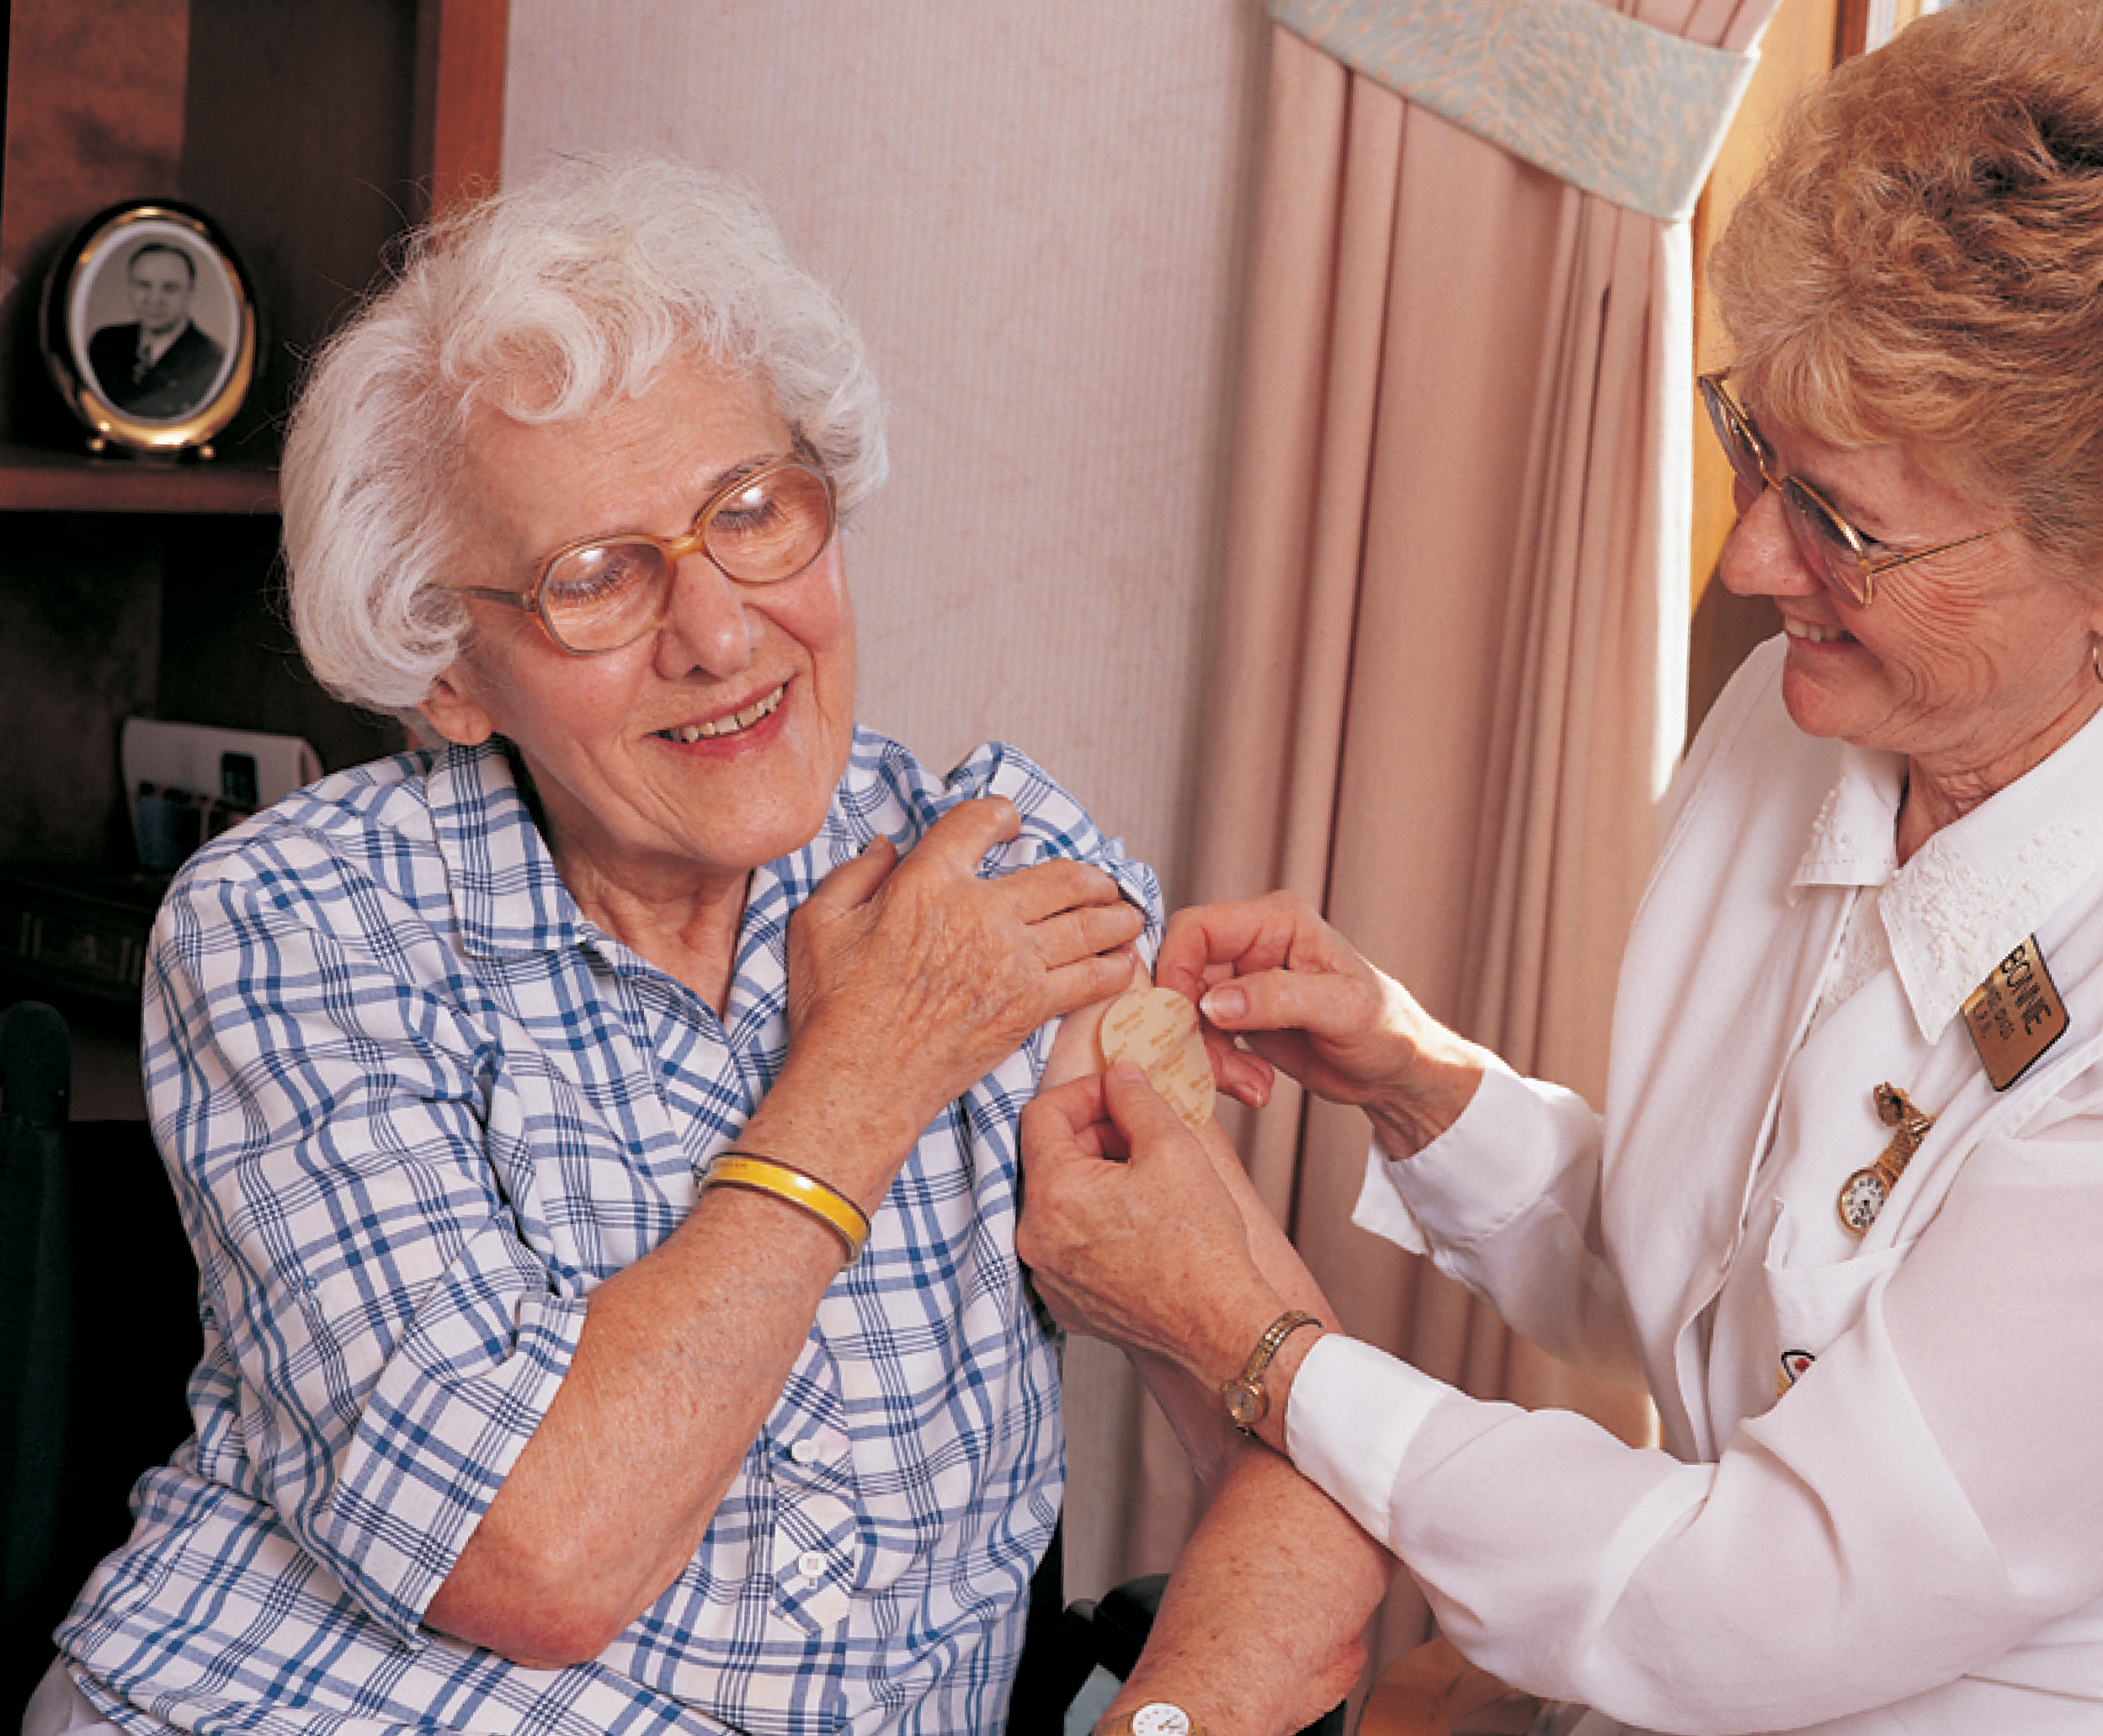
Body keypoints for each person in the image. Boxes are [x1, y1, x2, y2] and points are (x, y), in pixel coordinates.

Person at [1019, 0, 2103, 1731]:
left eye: (1839, 524)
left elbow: (1776, 1599)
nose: (1745, 564)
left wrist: (1257, 1349)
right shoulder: (1808, 727)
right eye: (1753, 452)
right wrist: (1420, 1086)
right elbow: (1748, 1287)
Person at [29, 156, 1379, 1736]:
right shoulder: (301, 919)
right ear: (450, 670)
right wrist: (866, 1068)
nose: (723, 631)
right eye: (592, 577)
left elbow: (1307, 1446)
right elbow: (535, 1559)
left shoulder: (998, 881)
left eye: (751, 512)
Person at [85, 242, 226, 419]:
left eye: (169, 288)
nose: (155, 299)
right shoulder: (105, 343)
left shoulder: (212, 360)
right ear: (130, 288)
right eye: (144, 285)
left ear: (190, 293)